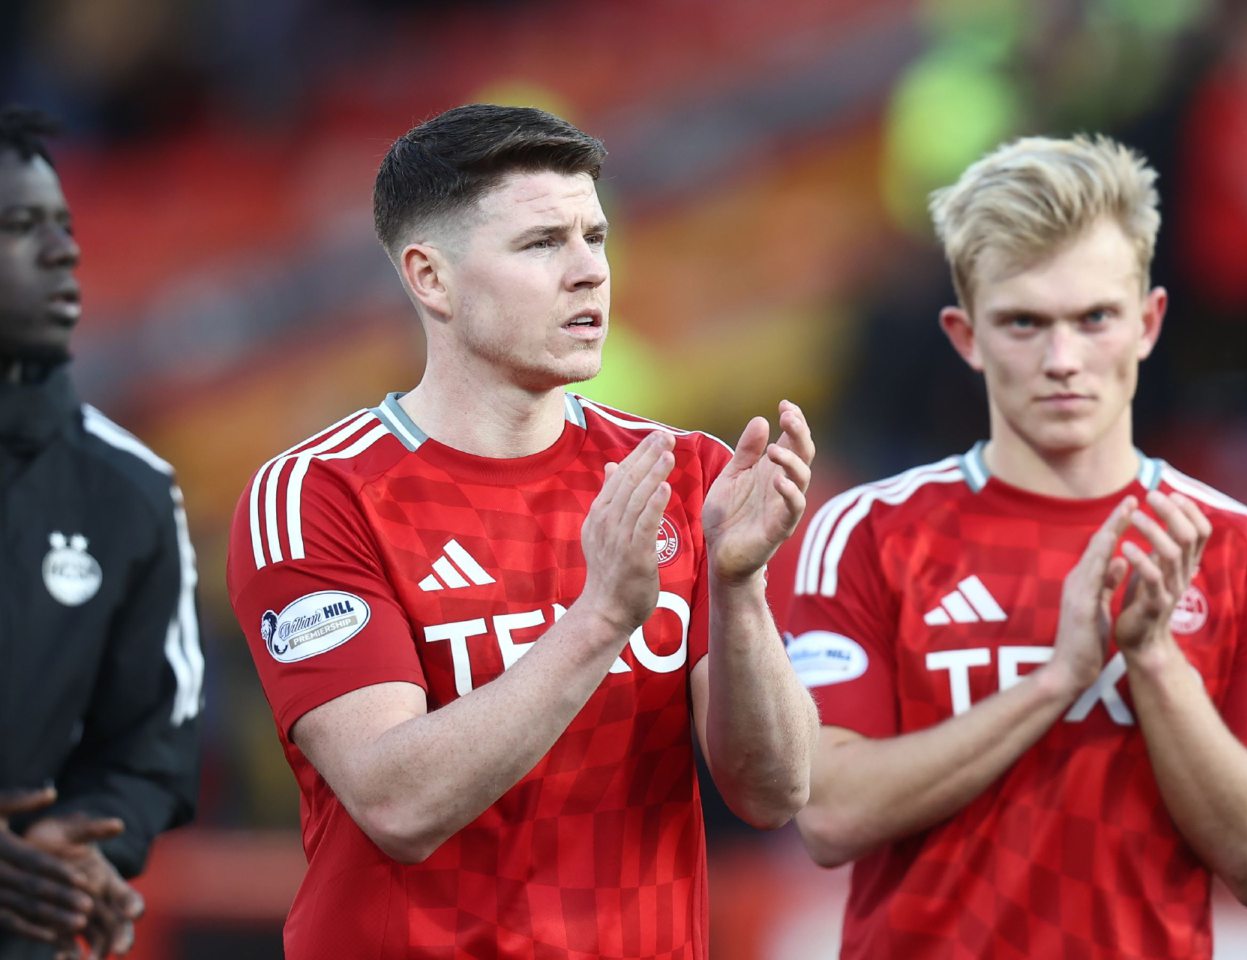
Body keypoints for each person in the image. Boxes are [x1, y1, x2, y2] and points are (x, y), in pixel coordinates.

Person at [225, 103, 818, 960]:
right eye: (542, 244)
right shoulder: (321, 495)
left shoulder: (680, 473)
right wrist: (603, 618)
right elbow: (398, 803)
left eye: (595, 237)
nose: (589, 273)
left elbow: (775, 791)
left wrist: (739, 589)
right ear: (431, 278)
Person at [786, 134, 1247, 959]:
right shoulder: (865, 534)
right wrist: (1058, 680)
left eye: (1095, 319)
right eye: (1024, 323)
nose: (1063, 360)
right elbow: (829, 814)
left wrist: (1153, 660)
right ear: (966, 337)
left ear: (1148, 323)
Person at [0, 106, 204, 960]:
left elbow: (155, 744)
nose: (64, 251)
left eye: (65, 226)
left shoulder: (131, 492)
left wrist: (83, 857)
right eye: (19, 226)